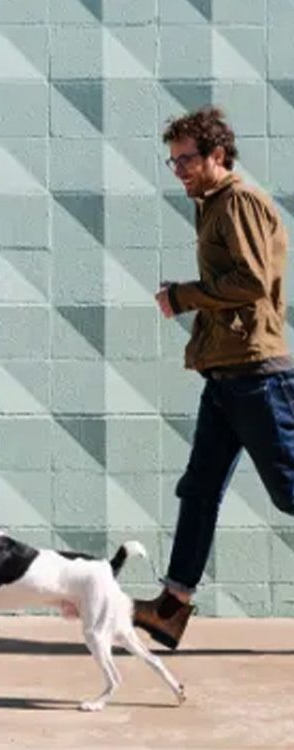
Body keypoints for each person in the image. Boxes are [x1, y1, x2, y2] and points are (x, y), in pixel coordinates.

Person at [133, 106, 294, 649]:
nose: (178, 168)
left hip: (256, 374)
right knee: (198, 489)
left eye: (188, 158)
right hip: (226, 374)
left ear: (217, 155)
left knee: (290, 491)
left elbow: (250, 281)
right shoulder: (211, 206)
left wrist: (181, 296)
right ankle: (171, 607)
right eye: (173, 160)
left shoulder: (239, 202)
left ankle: (171, 605)